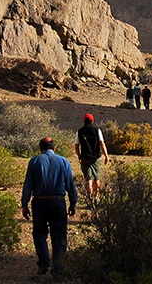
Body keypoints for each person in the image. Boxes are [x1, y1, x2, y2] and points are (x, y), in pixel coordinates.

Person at [22, 137, 78, 277]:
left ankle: (44, 263)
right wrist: (73, 202)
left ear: (40, 149)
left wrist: (24, 204)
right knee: (59, 235)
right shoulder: (64, 161)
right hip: (58, 202)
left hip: (39, 202)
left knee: (39, 234)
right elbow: (70, 184)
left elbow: (28, 185)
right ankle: (59, 269)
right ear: (54, 148)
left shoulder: (34, 161)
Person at [74, 113, 110, 204]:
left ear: (84, 121)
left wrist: (79, 156)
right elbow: (102, 144)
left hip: (85, 158)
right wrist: (106, 156)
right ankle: (97, 197)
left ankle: (89, 199)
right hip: (95, 158)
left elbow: (76, 146)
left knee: (88, 179)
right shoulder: (97, 130)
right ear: (92, 121)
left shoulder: (79, 131)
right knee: (96, 178)